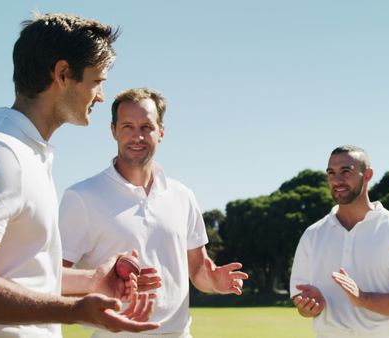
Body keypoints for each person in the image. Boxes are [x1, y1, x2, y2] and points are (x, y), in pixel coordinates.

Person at [0, 13, 158, 338]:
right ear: (63, 74)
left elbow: (22, 271)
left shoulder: (30, 154)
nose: (100, 96)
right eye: (97, 81)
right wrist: (71, 311)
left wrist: (91, 282)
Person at [58, 87, 249, 338]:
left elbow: (198, 270)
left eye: (146, 127)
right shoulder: (82, 197)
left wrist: (212, 279)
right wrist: (98, 283)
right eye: (128, 126)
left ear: (161, 132)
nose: (137, 136)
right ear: (113, 130)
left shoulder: (183, 196)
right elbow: (51, 277)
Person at [289, 145, 389, 338]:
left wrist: (362, 299)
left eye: (346, 171)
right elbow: (301, 302)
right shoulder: (312, 234)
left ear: (368, 175)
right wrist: (309, 307)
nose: (337, 180)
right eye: (331, 173)